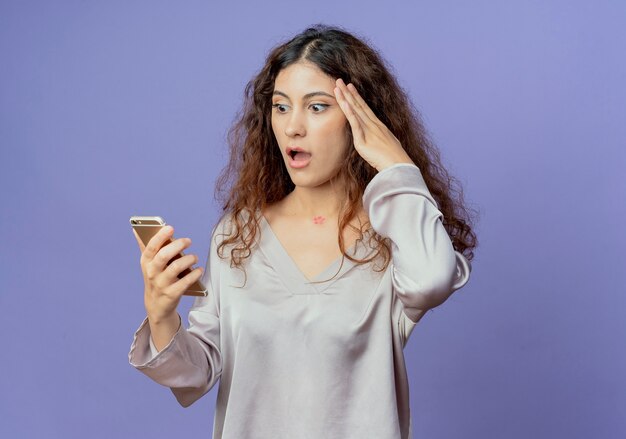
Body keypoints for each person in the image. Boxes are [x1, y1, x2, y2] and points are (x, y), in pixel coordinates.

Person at [128, 23, 478, 439]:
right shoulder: (236, 236)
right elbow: (196, 370)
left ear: (360, 118)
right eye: (280, 106)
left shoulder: (393, 236)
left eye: (316, 107)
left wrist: (396, 166)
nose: (293, 126)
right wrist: (161, 312)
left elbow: (432, 280)